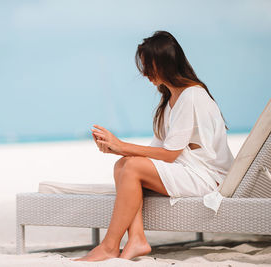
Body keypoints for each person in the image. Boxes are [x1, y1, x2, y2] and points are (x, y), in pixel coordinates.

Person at [75, 31, 234, 261]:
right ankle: (137, 238)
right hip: (189, 171)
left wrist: (122, 145)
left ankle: (110, 245)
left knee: (131, 167)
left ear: (166, 63)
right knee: (123, 165)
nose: (145, 73)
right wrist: (116, 149)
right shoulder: (169, 102)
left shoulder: (192, 95)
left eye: (149, 66)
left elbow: (168, 156)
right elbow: (155, 152)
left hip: (208, 176)